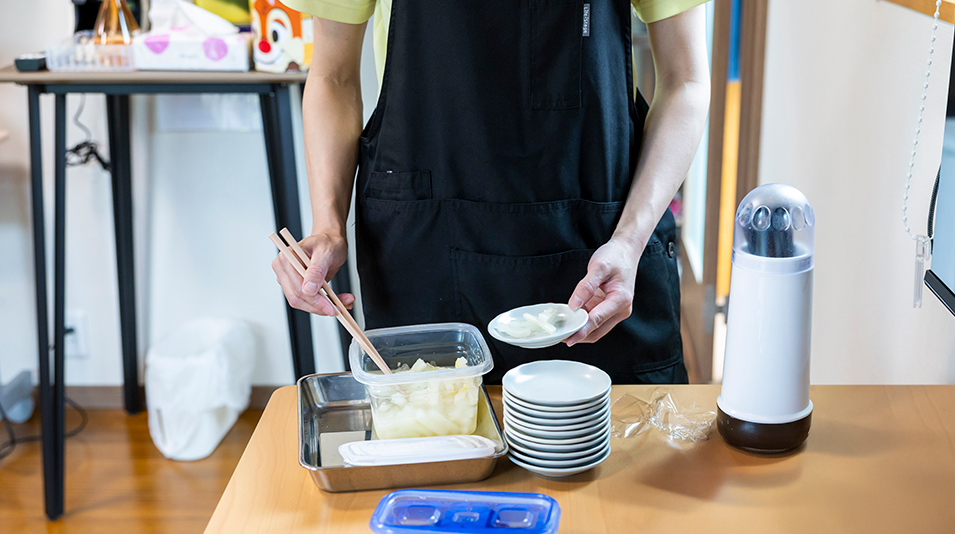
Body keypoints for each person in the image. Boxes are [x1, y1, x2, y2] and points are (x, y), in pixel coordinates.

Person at [273, 0, 710, 384]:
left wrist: (630, 240)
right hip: (428, 258)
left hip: (602, 253)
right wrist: (328, 226)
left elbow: (685, 80)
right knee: (438, 462)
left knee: (622, 470)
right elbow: (333, 76)